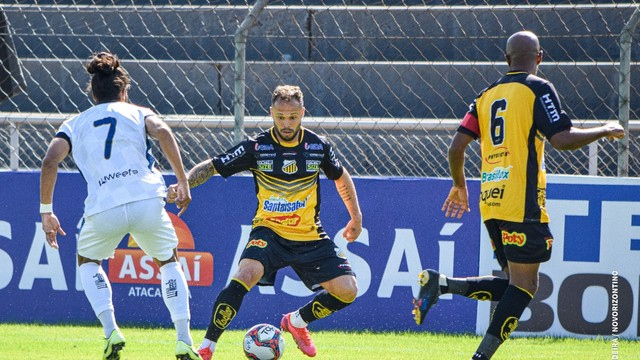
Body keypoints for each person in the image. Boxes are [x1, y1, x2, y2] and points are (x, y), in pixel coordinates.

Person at [412, 31, 625, 360]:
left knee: (514, 280)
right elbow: (562, 138)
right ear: (540, 57)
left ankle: (441, 285)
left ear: (506, 59)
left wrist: (459, 185)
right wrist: (604, 129)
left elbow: (456, 147)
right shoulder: (538, 88)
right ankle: (481, 356)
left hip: (491, 200)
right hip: (522, 201)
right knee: (526, 285)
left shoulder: (484, 96)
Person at [171, 85, 362, 359]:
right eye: (281, 117)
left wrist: (355, 216)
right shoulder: (257, 147)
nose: (287, 123)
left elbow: (340, 176)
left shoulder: (317, 147)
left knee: (348, 291)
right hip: (269, 232)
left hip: (310, 236)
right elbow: (212, 166)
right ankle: (207, 347)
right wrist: (184, 185)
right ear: (271, 113)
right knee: (245, 275)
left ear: (302, 113)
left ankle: (296, 322)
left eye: (293, 117)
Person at [39, 52, 201, 360]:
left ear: (93, 93)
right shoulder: (138, 112)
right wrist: (183, 181)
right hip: (146, 202)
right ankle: (183, 340)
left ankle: (111, 330)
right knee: (169, 262)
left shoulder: (74, 124)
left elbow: (50, 161)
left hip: (103, 207)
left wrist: (46, 210)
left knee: (88, 262)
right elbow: (164, 132)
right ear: (123, 91)